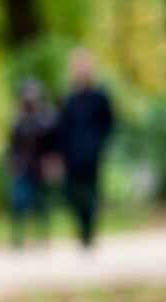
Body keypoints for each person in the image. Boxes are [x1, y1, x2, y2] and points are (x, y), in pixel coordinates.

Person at [55, 48, 115, 249]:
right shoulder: (69, 98)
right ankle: (82, 227)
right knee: (70, 194)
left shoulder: (100, 96)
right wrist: (59, 154)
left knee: (92, 194)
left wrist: (100, 143)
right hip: (71, 155)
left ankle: (88, 232)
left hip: (92, 154)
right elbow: (62, 128)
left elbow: (108, 123)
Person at [8, 81, 57, 248]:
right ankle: (18, 236)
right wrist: (14, 161)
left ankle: (42, 236)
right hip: (23, 168)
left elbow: (50, 145)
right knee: (20, 202)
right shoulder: (18, 122)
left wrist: (50, 163)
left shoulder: (44, 121)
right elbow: (13, 146)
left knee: (41, 203)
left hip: (39, 168)